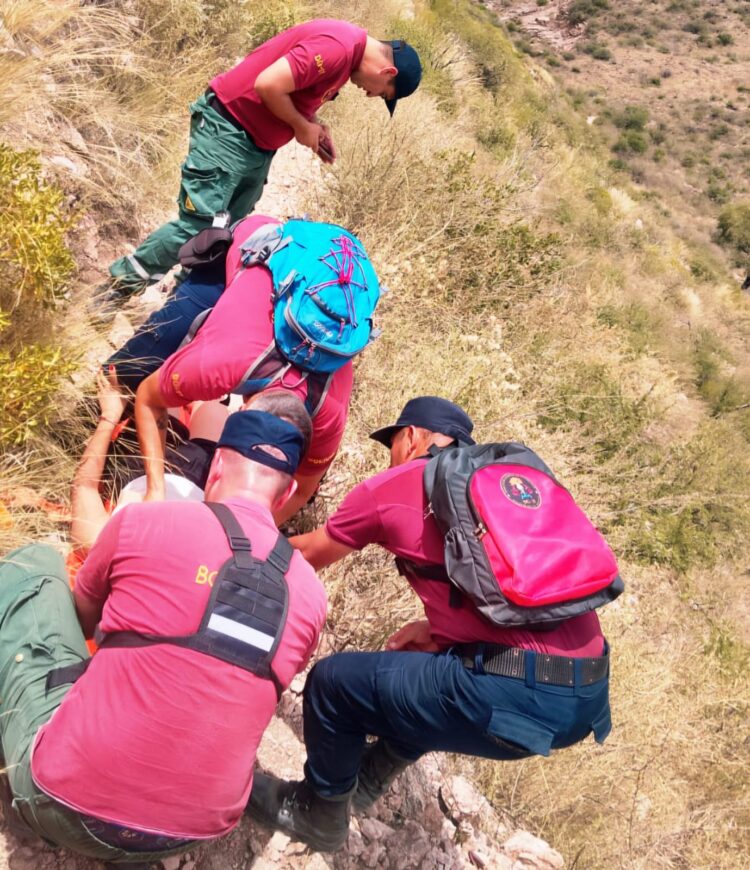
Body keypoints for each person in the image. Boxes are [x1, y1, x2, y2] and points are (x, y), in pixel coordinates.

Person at [247, 396, 613, 852]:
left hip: (512, 694)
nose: (390, 458)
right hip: (587, 698)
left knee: (333, 684)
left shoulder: (398, 484)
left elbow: (308, 556)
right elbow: (512, 601)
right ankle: (362, 781)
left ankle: (318, 811)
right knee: (420, 669)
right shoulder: (491, 495)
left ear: (413, 437)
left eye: (393, 443)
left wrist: (237, 538)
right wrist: (438, 633)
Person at [0, 402, 326, 865]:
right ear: (289, 490)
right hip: (187, 835)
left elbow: (82, 620)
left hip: (61, 806)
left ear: (215, 467)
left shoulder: (143, 521)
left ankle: (25, 768)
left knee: (30, 565)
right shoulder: (312, 597)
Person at [101, 19, 421, 301]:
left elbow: (294, 92)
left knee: (227, 236)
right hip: (227, 129)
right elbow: (268, 84)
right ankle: (117, 287)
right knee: (199, 228)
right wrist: (299, 125)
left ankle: (176, 311)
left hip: (255, 148)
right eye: (381, 94)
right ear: (387, 72)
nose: (369, 95)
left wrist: (313, 125)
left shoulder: (346, 56)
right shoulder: (337, 47)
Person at [132, 213, 355, 522]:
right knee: (160, 340)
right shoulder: (225, 363)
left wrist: (256, 534)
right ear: (235, 413)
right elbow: (147, 396)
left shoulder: (328, 415)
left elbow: (303, 490)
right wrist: (155, 491)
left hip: (324, 290)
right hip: (259, 245)